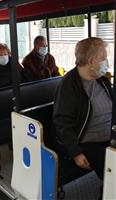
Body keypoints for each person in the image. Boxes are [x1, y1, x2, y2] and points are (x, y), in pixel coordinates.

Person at [53, 37, 112, 181]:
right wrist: (76, 153)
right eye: (103, 58)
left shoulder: (102, 80)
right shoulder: (69, 85)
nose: (107, 62)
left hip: (110, 136)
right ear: (91, 62)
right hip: (89, 144)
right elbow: (62, 123)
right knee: (113, 174)